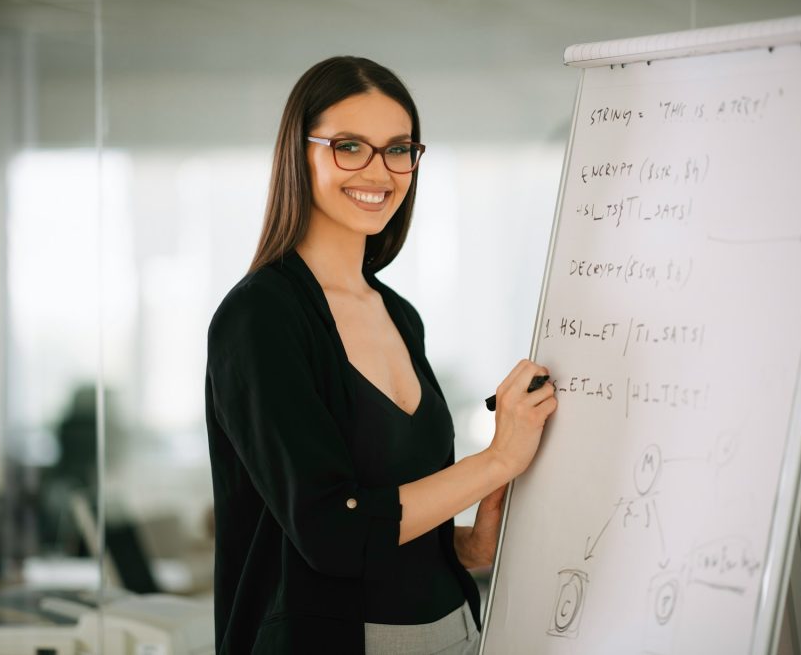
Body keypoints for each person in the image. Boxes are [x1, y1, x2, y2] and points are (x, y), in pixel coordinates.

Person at [205, 56, 558, 654]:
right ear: (300, 153)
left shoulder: (398, 314)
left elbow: (395, 520)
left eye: (399, 149)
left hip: (457, 634)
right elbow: (333, 531)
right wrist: (496, 460)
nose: (381, 170)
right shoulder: (259, 317)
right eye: (349, 146)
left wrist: (473, 540)